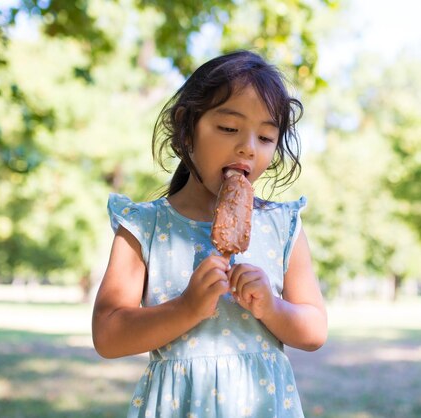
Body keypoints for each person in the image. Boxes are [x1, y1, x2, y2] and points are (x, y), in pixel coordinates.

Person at [92, 50, 327, 418]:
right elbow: (107, 335)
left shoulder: (283, 226)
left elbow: (314, 330)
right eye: (230, 128)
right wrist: (185, 309)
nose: (248, 147)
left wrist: (272, 306)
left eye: (266, 137)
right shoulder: (144, 226)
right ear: (186, 127)